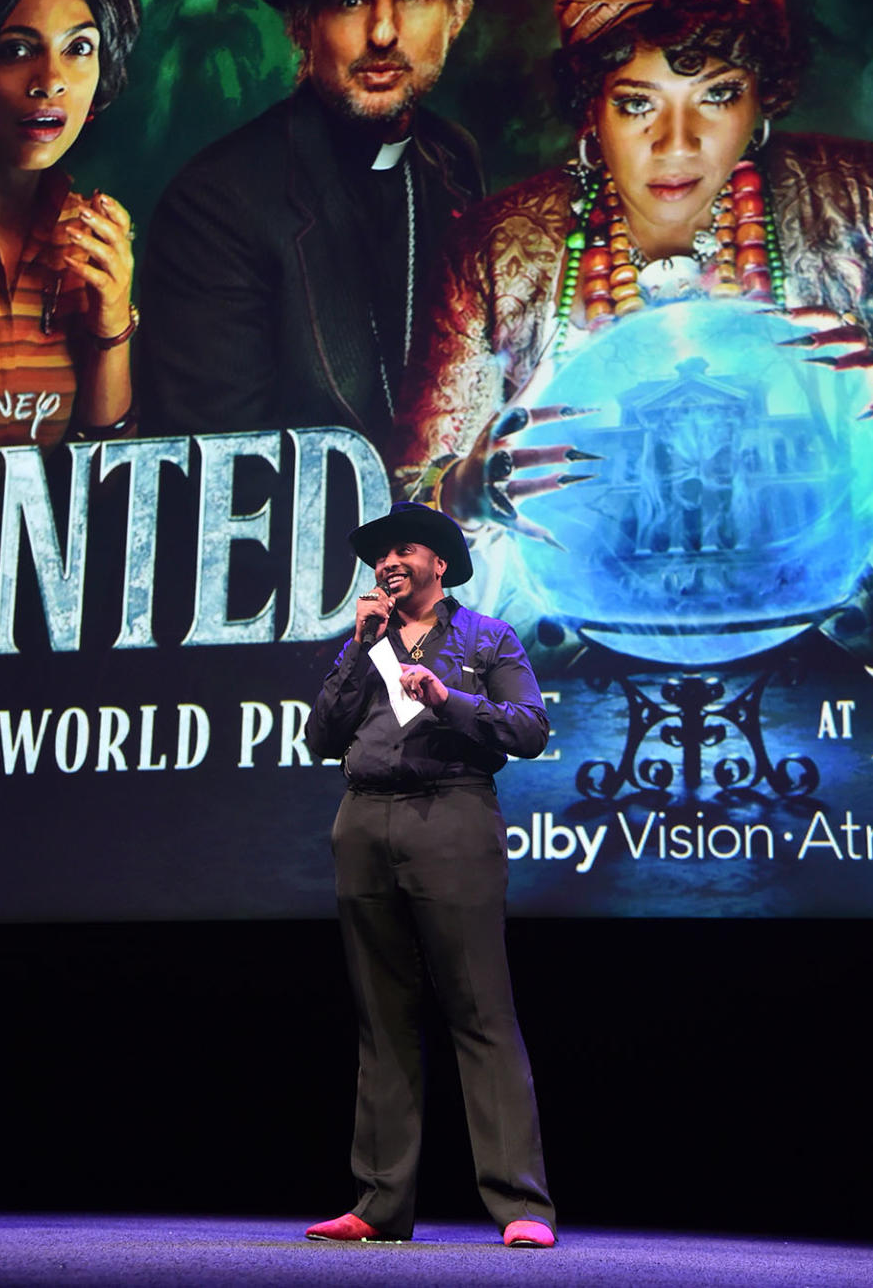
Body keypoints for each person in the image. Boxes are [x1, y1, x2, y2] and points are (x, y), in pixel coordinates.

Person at [387, 0, 873, 654]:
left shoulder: (865, 204)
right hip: (571, 678)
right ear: (591, 108)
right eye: (636, 104)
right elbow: (405, 516)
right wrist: (467, 489)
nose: (676, 144)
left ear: (762, 101)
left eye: (716, 96)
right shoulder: (498, 250)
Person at [137, 0, 516, 447]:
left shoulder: (452, 159)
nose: (383, 32)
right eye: (350, 0)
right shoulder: (215, 205)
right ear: (303, 24)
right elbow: (224, 477)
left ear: (458, 13)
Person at [303, 500, 556, 1248]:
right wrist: (358, 647)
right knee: (382, 1020)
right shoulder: (367, 640)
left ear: (438, 562)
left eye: (403, 550)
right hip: (364, 819)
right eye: (380, 554)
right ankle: (379, 1206)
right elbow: (322, 735)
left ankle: (520, 1208)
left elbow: (531, 730)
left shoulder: (487, 638)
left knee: (480, 1012)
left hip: (452, 815)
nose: (387, 562)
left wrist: (451, 700)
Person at [0, 0, 140, 573]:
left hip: (37, 612)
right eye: (17, 49)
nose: (51, 81)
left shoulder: (90, 238)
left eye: (79, 49)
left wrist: (113, 324)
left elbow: (104, 477)